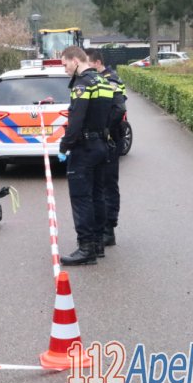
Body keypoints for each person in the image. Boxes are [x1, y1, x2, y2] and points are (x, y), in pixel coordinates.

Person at [58, 46, 114, 266]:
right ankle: (98, 244)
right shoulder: (103, 82)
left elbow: (76, 119)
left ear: (75, 60)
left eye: (64, 64)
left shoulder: (81, 84)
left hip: (85, 148)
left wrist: (65, 146)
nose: (64, 70)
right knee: (97, 196)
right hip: (102, 144)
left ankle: (86, 249)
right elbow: (111, 113)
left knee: (81, 199)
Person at [87, 49, 127, 248]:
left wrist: (104, 128)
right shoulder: (95, 79)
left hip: (110, 138)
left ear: (97, 63)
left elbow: (119, 108)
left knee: (108, 184)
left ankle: (109, 229)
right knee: (99, 184)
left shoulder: (110, 79)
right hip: (103, 139)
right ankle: (101, 227)